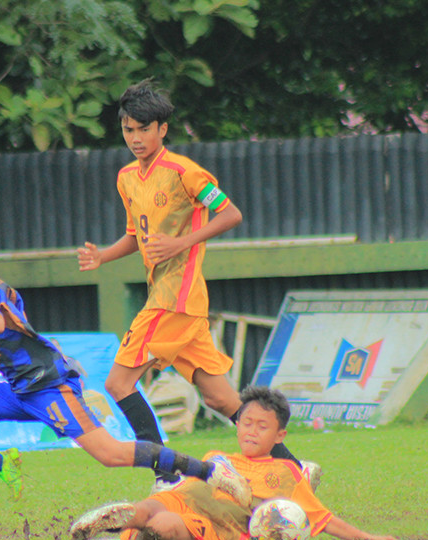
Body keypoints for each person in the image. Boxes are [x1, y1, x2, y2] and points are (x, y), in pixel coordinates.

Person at [0, 227, 253, 521]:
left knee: (112, 454)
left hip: (48, 388)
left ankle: (209, 470)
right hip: (19, 389)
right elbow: (7, 324)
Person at [77, 79, 316, 490]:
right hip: (179, 303)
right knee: (222, 400)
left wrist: (182, 242)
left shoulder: (185, 172)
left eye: (144, 129)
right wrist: (103, 255)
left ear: (162, 129)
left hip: (174, 299)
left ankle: (165, 474)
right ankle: (297, 470)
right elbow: (137, 234)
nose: (136, 138)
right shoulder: (127, 178)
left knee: (118, 383)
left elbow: (231, 213)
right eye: (128, 129)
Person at [64, 385, 402, 540]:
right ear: (237, 424)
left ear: (280, 435)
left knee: (162, 527)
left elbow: (322, 518)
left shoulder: (284, 473)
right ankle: (120, 521)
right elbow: (186, 489)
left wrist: (367, 537)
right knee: (152, 508)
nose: (252, 431)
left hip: (216, 525)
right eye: (246, 423)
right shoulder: (216, 457)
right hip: (181, 498)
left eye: (262, 426)